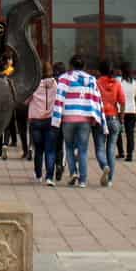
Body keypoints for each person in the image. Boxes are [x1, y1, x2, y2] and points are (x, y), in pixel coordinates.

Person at [49, 54, 102, 188]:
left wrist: (56, 120)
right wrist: (96, 117)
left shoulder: (64, 78)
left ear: (71, 65)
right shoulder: (91, 79)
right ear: (84, 66)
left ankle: (73, 172)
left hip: (68, 118)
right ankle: (83, 181)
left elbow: (59, 99)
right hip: (84, 119)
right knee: (83, 150)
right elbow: (96, 99)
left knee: (69, 147)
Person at [27, 63, 61, 186]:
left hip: (36, 120)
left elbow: (26, 100)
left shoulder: (34, 85)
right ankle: (49, 177)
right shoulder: (56, 85)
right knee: (50, 150)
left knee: (39, 150)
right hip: (51, 120)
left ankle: (38, 175)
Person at [96, 60, 126, 186]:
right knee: (111, 149)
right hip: (114, 118)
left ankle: (104, 166)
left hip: (101, 118)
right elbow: (123, 102)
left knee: (100, 148)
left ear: (99, 70)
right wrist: (121, 117)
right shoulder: (117, 84)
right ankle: (110, 180)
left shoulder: (97, 83)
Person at [118, 61, 136, 162]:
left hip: (120, 110)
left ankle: (121, 152)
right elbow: (135, 95)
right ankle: (129, 154)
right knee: (130, 133)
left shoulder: (118, 81)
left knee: (118, 132)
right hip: (132, 110)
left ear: (121, 70)